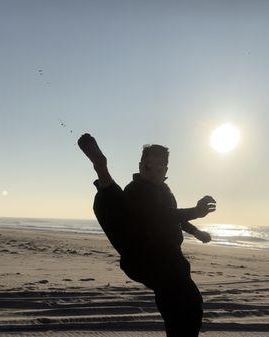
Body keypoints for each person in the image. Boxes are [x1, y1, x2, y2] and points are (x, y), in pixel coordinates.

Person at [78, 133, 216, 337]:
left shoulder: (163, 189)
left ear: (166, 170)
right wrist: (196, 212)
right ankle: (101, 167)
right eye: (147, 167)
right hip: (148, 258)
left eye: (159, 168)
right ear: (140, 165)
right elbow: (159, 216)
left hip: (170, 257)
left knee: (189, 305)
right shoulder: (137, 189)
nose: (152, 172)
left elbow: (172, 216)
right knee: (181, 306)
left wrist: (195, 231)